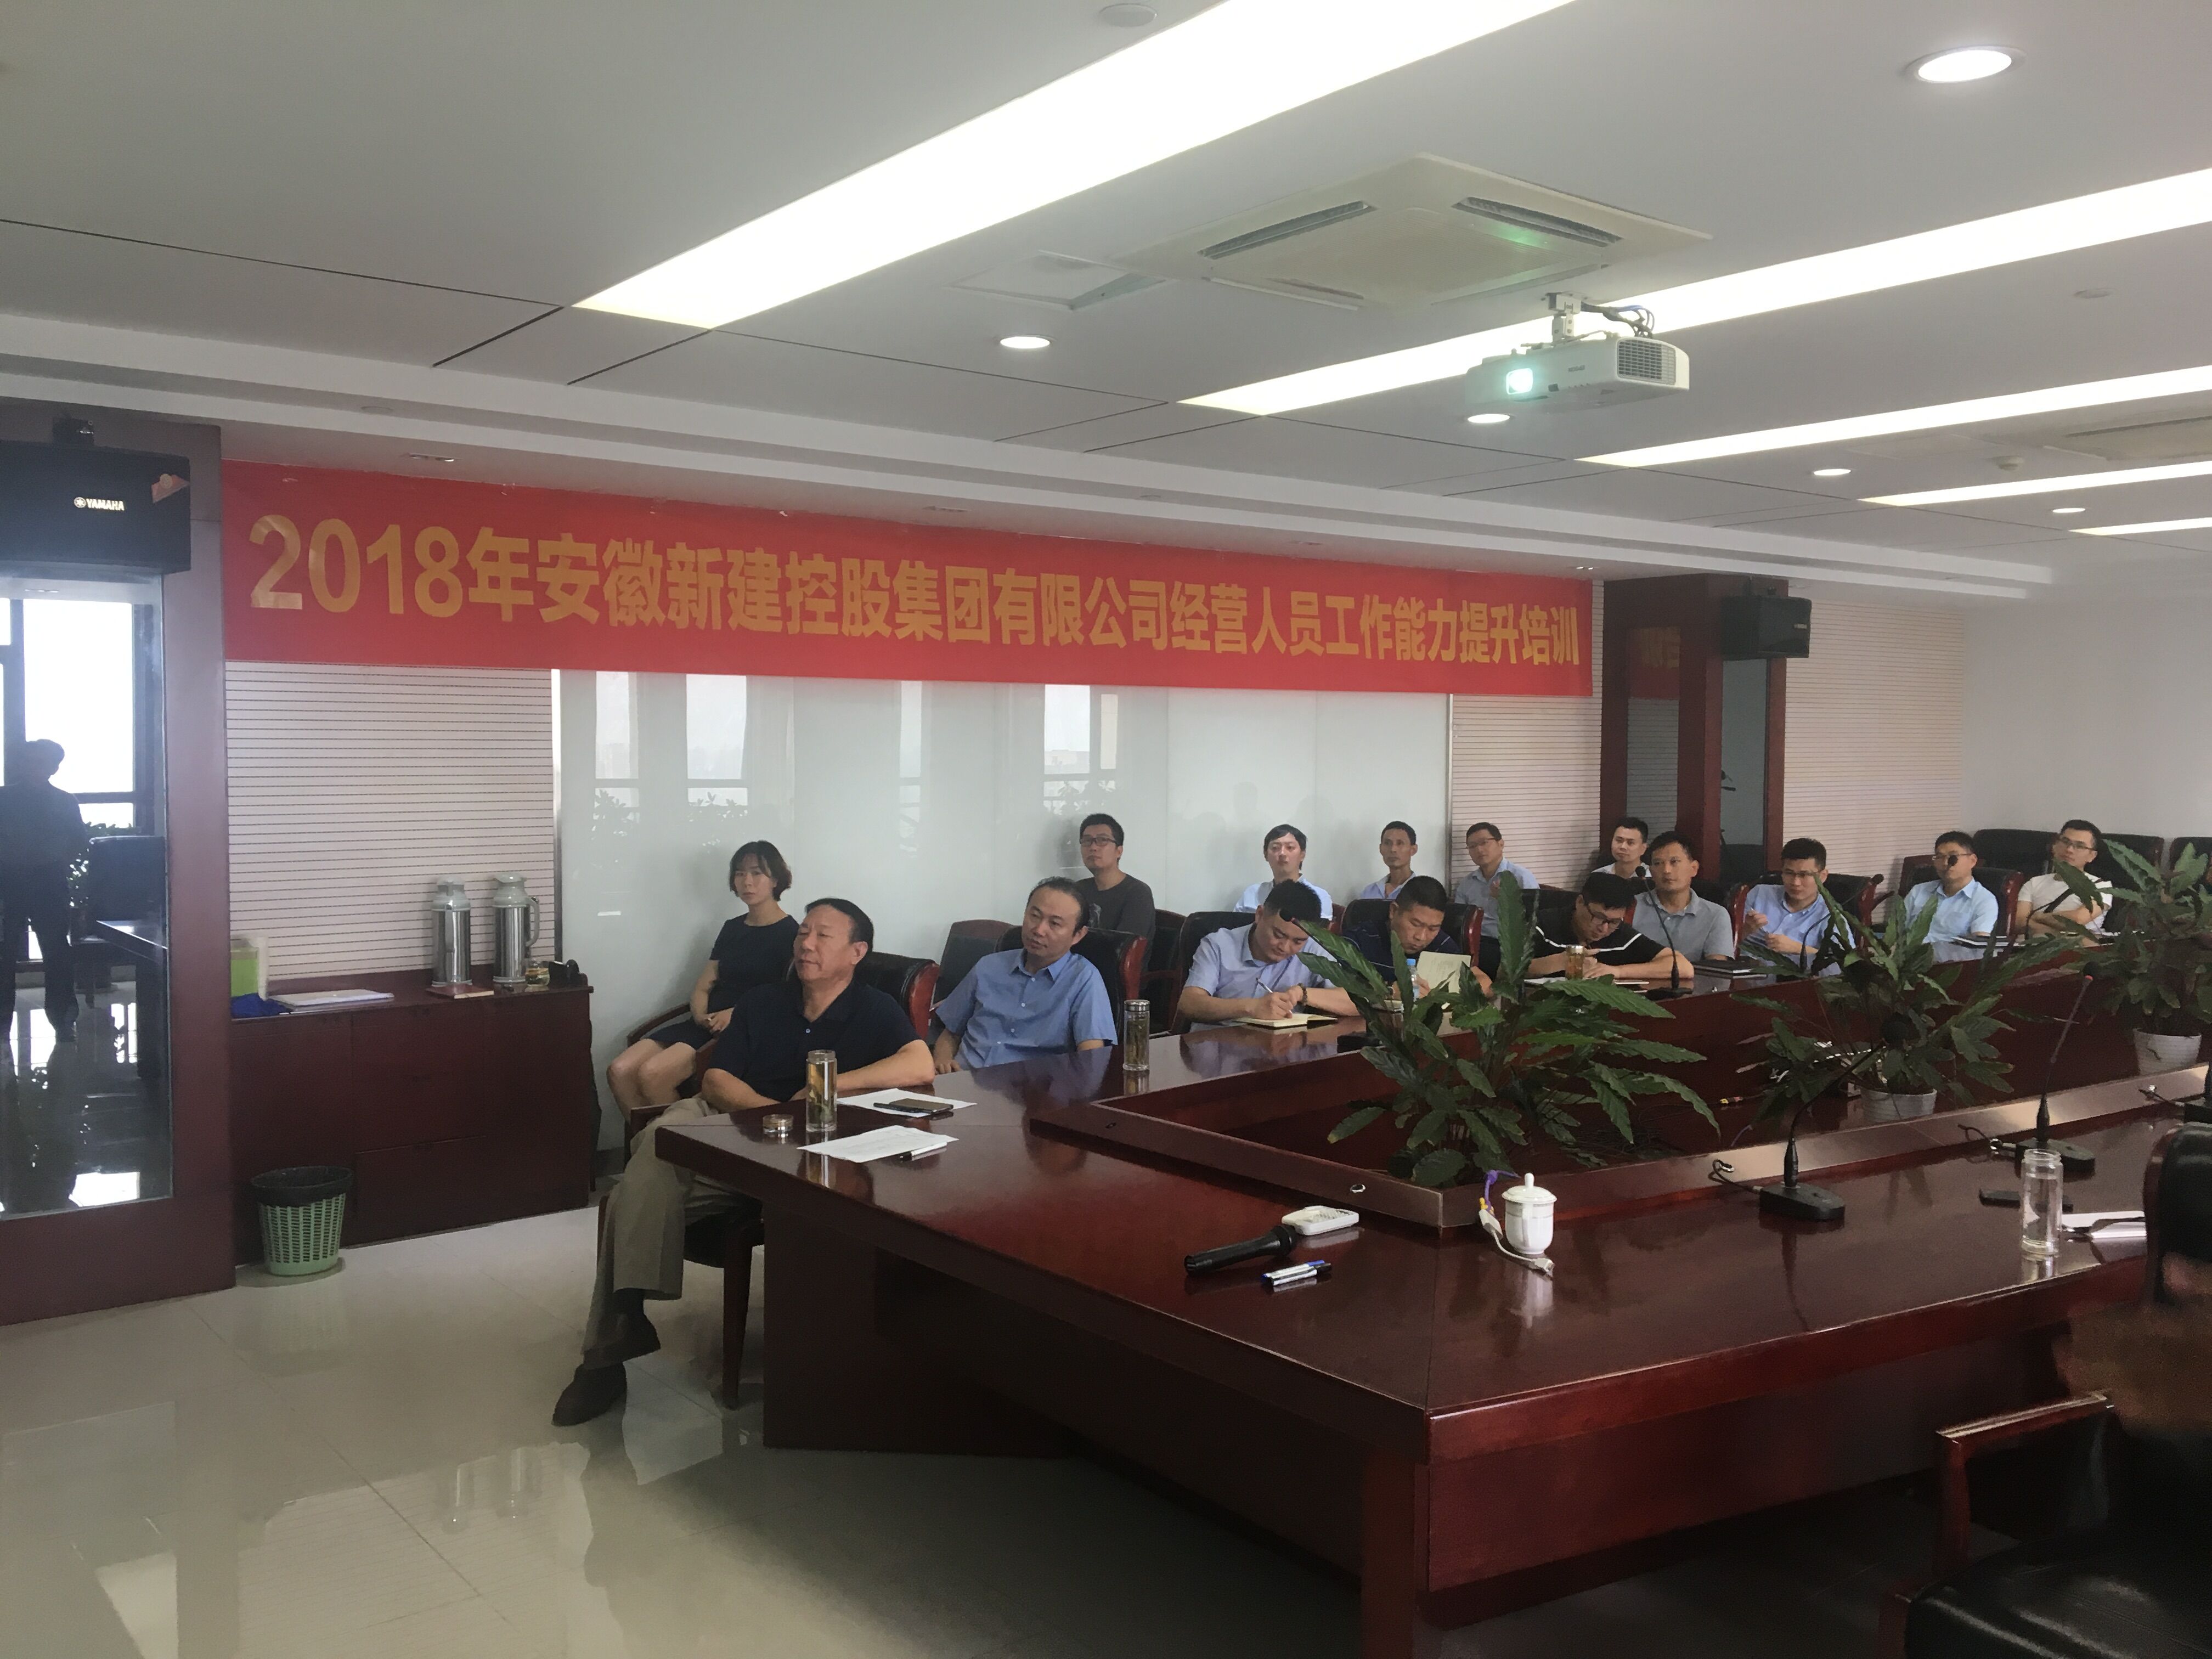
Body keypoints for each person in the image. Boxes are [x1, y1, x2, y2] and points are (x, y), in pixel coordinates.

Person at [555, 898, 932, 1425]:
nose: (806, 944)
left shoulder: (874, 1008)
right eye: (803, 932)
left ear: (857, 952)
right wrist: (772, 1114)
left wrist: (828, 1085)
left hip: (797, 1149)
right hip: (725, 1120)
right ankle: (620, 1329)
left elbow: (920, 1063)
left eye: (823, 935)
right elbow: (715, 1080)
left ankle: (610, 1347)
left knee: (633, 1187)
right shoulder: (764, 1000)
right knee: (662, 1143)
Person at [605, 842, 798, 1116]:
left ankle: (674, 1141)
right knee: (620, 1070)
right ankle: (648, 1140)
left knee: (652, 1074)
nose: (747, 882)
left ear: (776, 880)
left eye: (757, 873)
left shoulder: (792, 934)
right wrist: (700, 1015)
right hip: (705, 1023)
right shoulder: (732, 928)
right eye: (740, 873)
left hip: (742, 1028)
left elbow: (785, 997)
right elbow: (704, 984)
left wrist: (736, 1013)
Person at [930, 878, 1116, 1073]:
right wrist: (942, 1061)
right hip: (963, 1078)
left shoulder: (1084, 979)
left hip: (1030, 1087)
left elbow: (1091, 1059)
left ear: (1078, 935)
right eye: (1035, 916)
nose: (1039, 930)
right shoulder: (988, 966)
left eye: (1054, 923)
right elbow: (951, 1034)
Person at [0, 739, 88, 1043]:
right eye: (29, 760)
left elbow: (78, 840)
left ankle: (63, 1021)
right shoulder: (3, 798)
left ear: (54, 767)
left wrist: (58, 861)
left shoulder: (64, 801)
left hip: (49, 882)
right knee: (3, 954)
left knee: (56, 953)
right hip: (6, 882)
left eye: (41, 761)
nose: (33, 767)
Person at [1179, 881, 1356, 1025]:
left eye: (1297, 942)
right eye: (1278, 935)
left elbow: (1358, 1002)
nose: (1285, 947)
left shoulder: (1312, 950)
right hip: (1218, 1046)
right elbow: (1190, 1003)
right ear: (1259, 915)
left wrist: (1302, 993)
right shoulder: (1218, 945)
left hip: (1283, 1048)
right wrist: (1252, 1008)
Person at [1530, 871, 1689, 981]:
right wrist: (1561, 962)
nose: (1604, 929)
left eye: (1614, 922)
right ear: (1580, 903)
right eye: (1599, 918)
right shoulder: (1542, 924)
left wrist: (1617, 971)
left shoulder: (1618, 932)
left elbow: (1683, 967)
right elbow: (1514, 970)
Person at [1347, 874, 1490, 996]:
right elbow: (1339, 989)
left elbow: (1485, 983)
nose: (1421, 937)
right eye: (1415, 924)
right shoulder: (1360, 939)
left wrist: (1448, 995)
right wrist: (1389, 991)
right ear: (1393, 911)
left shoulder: (1440, 944)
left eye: (1433, 928)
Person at [1632, 832, 1736, 967]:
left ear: (1694, 869)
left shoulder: (1716, 915)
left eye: (1674, 862)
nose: (1666, 870)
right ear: (1651, 872)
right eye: (1658, 863)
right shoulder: (1632, 906)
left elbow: (1717, 970)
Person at [1900, 831, 2000, 962]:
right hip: (1904, 962)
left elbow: (1978, 949)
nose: (1945, 863)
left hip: (1946, 966)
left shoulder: (1984, 900)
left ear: (1972, 861)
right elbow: (1898, 931)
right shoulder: (1919, 891)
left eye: (1953, 857)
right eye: (1939, 857)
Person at [1741, 838, 1839, 968]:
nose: (1795, 882)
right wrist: (1745, 930)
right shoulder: (1759, 894)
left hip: (1790, 976)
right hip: (1742, 971)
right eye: (1789, 873)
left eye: (1804, 875)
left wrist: (1798, 949)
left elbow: (1846, 963)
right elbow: (1724, 942)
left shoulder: (1831, 916)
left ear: (1822, 876)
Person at [2015, 820, 2113, 937]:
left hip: (2079, 947)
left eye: (2080, 846)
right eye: (2065, 842)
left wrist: (2038, 917)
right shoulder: (2033, 883)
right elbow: (2020, 923)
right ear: (2054, 846)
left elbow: (2078, 920)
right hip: (2029, 946)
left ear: (2092, 856)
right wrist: (2056, 932)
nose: (2069, 850)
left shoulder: (2101, 886)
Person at [1073, 812, 1155, 943]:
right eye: (1087, 841)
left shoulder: (1137, 893)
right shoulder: (1078, 890)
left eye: (1102, 840)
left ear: (1119, 851)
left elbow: (1125, 947)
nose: (1093, 847)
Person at [1452, 822, 1537, 947]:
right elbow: (1459, 920)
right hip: (1473, 943)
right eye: (1472, 846)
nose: (1479, 850)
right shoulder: (1467, 883)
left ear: (1501, 844)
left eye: (1484, 843)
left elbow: (1534, 920)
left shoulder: (1521, 877)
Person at [1235, 823, 1330, 916]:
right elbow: (1235, 925)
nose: (1282, 853)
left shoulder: (1320, 896)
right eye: (1275, 848)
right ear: (1266, 855)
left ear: (1302, 855)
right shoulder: (1252, 894)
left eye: (1290, 847)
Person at [1356, 821, 1420, 901]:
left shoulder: (1421, 892)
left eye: (1400, 843)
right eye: (1387, 843)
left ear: (1413, 850)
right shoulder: (1369, 893)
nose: (1393, 849)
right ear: (1381, 849)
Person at [1595, 816, 1651, 884]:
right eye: (1619, 841)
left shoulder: (1652, 877)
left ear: (1643, 848)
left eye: (1630, 843)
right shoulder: (1599, 876)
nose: (1623, 847)